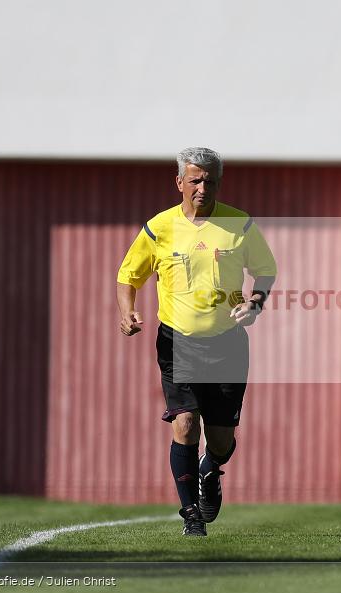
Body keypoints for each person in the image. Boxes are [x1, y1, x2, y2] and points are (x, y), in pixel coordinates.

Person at [116, 147, 276, 536]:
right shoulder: (159, 227)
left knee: (221, 440)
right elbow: (128, 276)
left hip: (228, 343)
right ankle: (191, 516)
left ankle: (211, 468)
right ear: (180, 183)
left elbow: (266, 272)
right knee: (185, 424)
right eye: (196, 180)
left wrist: (255, 302)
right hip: (177, 342)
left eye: (210, 180)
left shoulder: (239, 225)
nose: (203, 187)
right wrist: (127, 310)